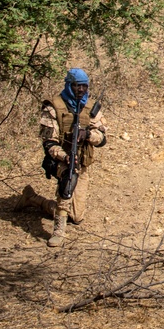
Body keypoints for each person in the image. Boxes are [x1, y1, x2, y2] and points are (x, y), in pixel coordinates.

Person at [15, 68, 107, 247]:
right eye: (76, 86)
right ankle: (58, 230)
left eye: (84, 86)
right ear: (68, 85)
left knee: (76, 217)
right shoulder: (54, 106)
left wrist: (88, 134)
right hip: (60, 160)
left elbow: (103, 139)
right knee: (68, 179)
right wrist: (64, 157)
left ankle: (32, 198)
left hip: (83, 162)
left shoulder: (91, 107)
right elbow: (49, 141)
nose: (81, 90)